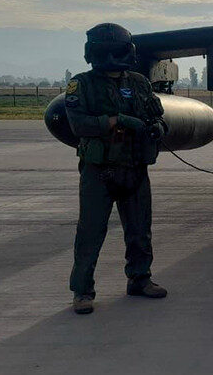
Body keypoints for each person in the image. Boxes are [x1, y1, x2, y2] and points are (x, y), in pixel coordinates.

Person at [65, 23, 168, 314]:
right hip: (100, 171)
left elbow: (156, 114)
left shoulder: (138, 82)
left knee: (139, 230)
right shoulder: (81, 84)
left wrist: (157, 128)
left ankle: (140, 278)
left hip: (134, 167)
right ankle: (82, 291)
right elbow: (78, 125)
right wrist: (116, 121)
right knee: (90, 232)